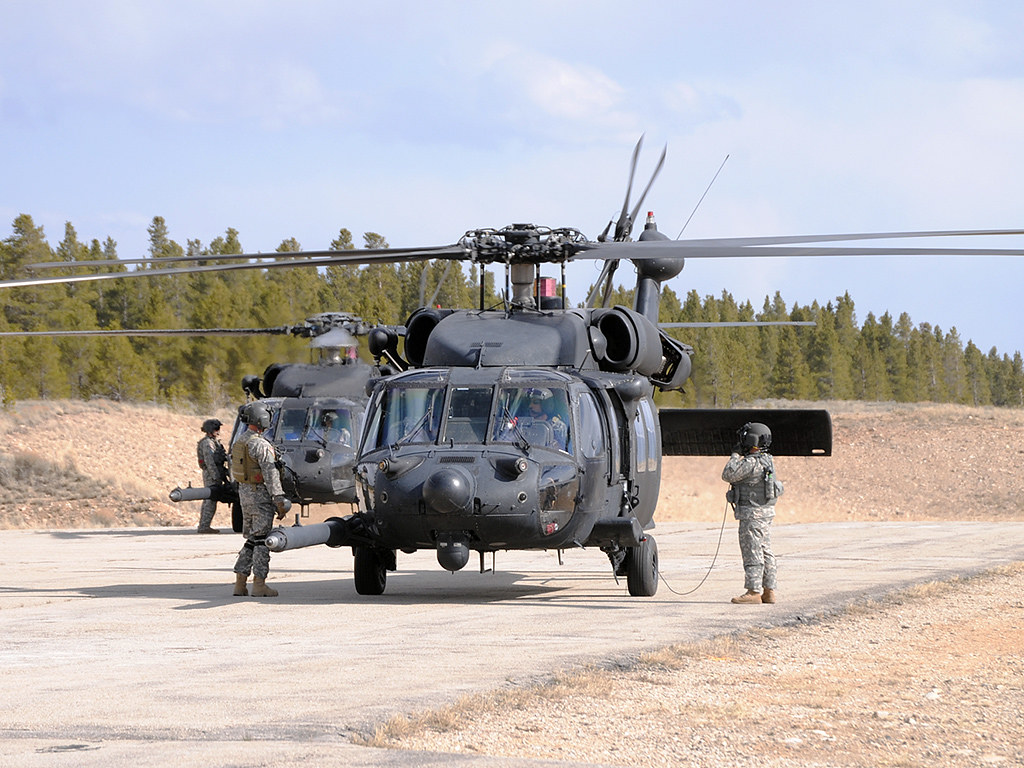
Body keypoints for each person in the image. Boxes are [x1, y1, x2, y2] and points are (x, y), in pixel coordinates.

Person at [231, 402, 289, 597]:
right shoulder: (261, 445)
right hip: (261, 499)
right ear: (263, 420)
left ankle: (240, 582)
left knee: (251, 539)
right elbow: (271, 475)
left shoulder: (239, 442)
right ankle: (259, 584)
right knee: (263, 541)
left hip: (245, 497)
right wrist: (279, 500)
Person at [722, 422, 784, 605]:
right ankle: (769, 590)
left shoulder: (751, 463)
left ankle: (753, 591)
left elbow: (728, 474)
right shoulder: (767, 460)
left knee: (752, 551)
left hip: (752, 514)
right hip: (764, 513)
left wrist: (734, 455)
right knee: (765, 550)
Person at [196, 418, 228, 533]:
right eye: (216, 429)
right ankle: (204, 526)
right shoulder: (208, 443)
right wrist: (216, 476)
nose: (218, 431)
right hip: (211, 475)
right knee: (210, 499)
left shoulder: (213, 442)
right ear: (211, 430)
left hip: (214, 473)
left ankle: (204, 525)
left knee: (210, 499)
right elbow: (210, 462)